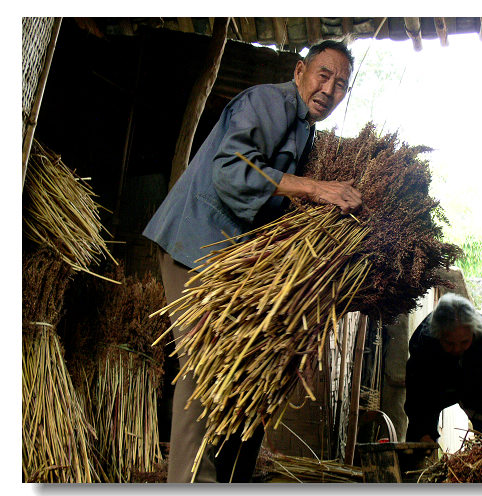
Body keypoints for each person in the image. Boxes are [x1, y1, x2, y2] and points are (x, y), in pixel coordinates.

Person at [143, 40, 361, 483]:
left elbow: (272, 198)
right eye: (323, 75)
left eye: (341, 85)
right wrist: (317, 188)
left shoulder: (303, 128)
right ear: (300, 70)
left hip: (223, 256)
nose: (329, 90)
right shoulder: (268, 101)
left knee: (237, 367)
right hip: (194, 243)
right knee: (203, 367)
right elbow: (232, 173)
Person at [404, 293, 482, 444]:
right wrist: (423, 432)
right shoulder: (423, 342)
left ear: (473, 332)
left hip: (476, 377)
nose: (457, 349)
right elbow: (416, 393)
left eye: (464, 342)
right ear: (438, 336)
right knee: (418, 439)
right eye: (450, 343)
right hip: (436, 382)